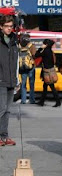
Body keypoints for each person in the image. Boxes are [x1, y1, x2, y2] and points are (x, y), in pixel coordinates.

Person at [0, 15, 18, 146]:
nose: (9, 29)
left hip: (12, 80)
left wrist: (17, 78)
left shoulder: (13, 41)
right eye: (7, 26)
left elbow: (16, 62)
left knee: (7, 110)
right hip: (0, 80)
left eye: (11, 26)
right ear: (1, 26)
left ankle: (4, 136)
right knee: (1, 109)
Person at [35, 39, 61, 107]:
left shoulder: (46, 51)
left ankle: (58, 101)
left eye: (43, 44)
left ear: (46, 44)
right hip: (50, 71)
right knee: (45, 87)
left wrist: (40, 48)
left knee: (51, 87)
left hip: (47, 72)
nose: (42, 44)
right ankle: (42, 101)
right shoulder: (50, 51)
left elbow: (36, 55)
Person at [19, 33, 36, 104]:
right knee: (31, 84)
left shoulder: (19, 46)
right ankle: (32, 100)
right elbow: (34, 55)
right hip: (31, 66)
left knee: (23, 84)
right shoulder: (31, 46)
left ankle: (23, 100)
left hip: (22, 67)